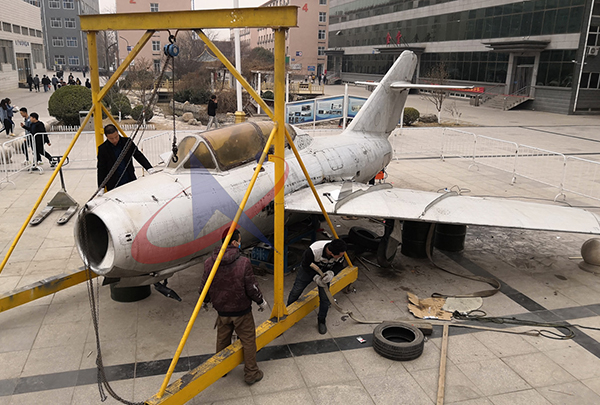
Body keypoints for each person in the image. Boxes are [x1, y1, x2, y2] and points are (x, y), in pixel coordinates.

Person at [198, 228, 267, 385]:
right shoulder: (243, 262)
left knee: (222, 340)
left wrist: (206, 301)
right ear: (235, 243)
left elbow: (204, 286)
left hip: (222, 311)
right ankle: (251, 373)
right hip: (241, 311)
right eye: (239, 240)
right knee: (248, 341)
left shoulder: (209, 262)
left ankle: (221, 370)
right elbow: (251, 287)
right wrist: (260, 301)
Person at [287, 239, 347, 334]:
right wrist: (315, 277)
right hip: (308, 271)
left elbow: (339, 265)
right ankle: (288, 314)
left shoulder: (339, 252)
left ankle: (321, 320)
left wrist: (331, 273)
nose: (341, 257)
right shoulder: (314, 250)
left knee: (325, 298)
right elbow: (305, 265)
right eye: (339, 256)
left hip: (325, 273)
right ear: (331, 253)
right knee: (296, 291)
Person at [97, 124, 153, 190]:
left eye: (116, 137)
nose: (115, 140)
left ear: (118, 133)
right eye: (111, 139)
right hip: (114, 184)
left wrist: (149, 168)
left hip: (129, 179)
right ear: (106, 137)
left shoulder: (127, 142)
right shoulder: (103, 149)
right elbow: (101, 169)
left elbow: (138, 155)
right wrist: (101, 187)